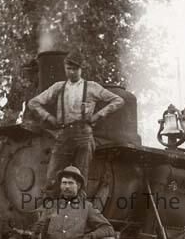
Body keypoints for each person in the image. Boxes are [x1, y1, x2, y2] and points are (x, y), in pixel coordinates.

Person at [27, 52, 123, 190]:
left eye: (75, 69)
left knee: (80, 177)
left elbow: (118, 100)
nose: (71, 72)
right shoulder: (58, 87)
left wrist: (99, 115)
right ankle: (51, 203)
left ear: (81, 69)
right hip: (63, 134)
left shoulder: (92, 87)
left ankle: (79, 203)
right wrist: (48, 117)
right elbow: (33, 103)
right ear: (65, 68)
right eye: (69, 68)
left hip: (84, 135)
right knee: (52, 178)